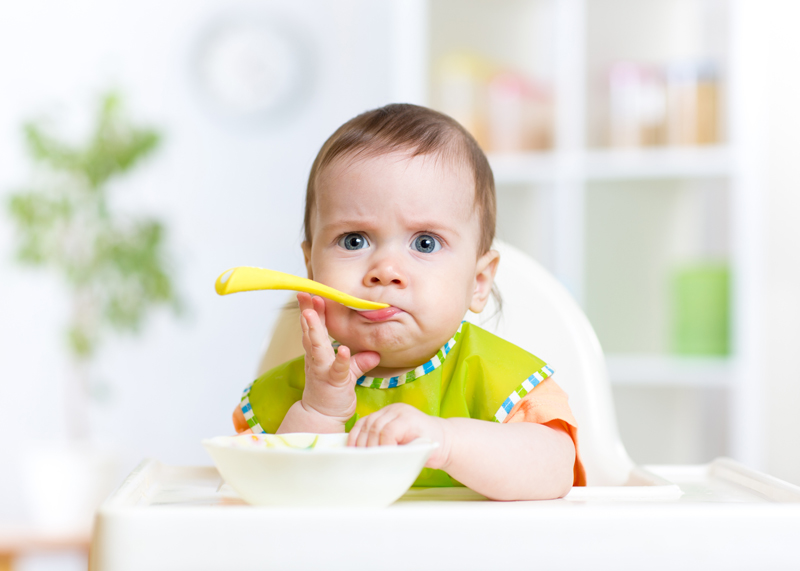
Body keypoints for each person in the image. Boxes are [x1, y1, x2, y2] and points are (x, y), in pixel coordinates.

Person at [232, 104, 585, 500]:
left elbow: (555, 472)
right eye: (354, 240)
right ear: (311, 269)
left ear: (479, 281)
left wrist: (447, 441)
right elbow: (276, 496)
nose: (386, 270)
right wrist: (319, 412)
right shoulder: (293, 393)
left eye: (425, 243)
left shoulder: (498, 381)